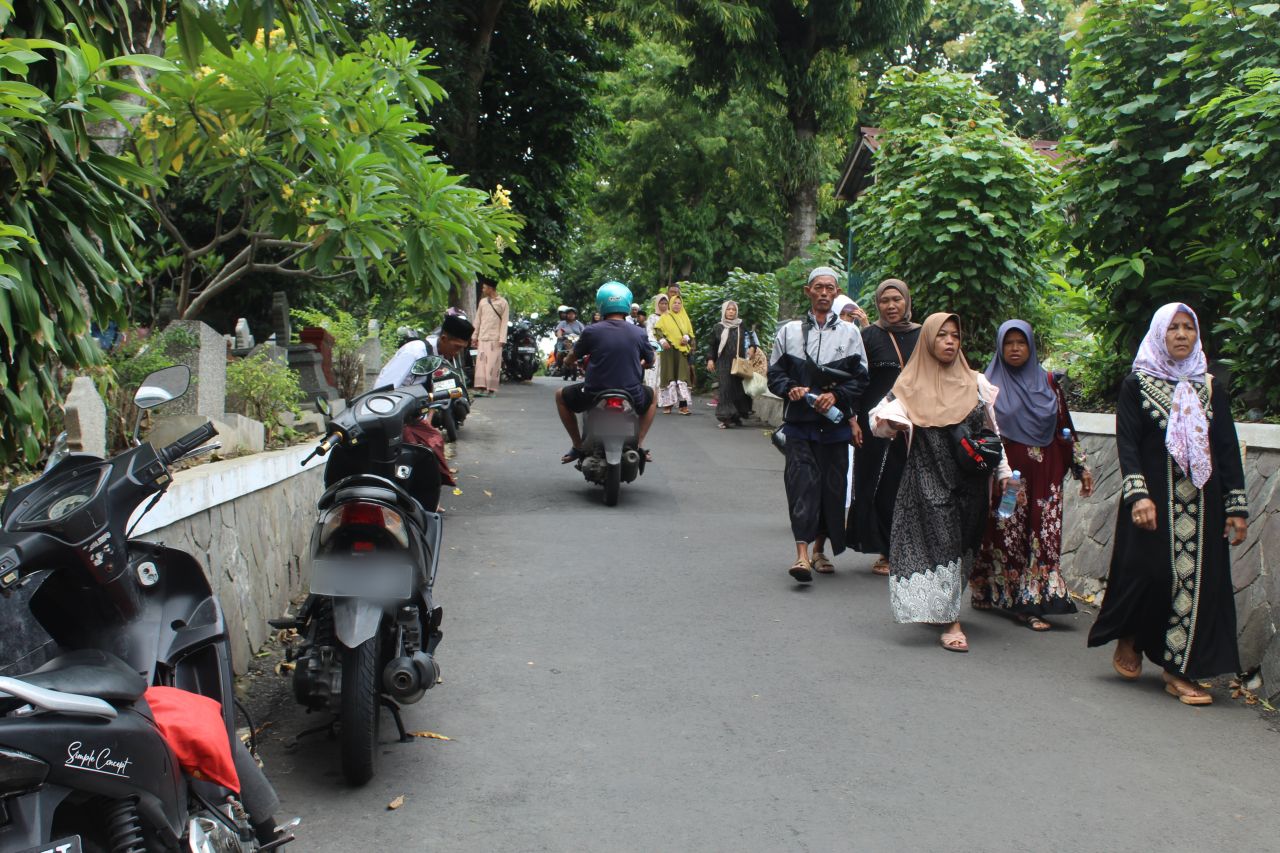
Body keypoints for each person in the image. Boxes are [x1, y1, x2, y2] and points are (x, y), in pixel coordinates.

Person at [1088, 303, 1249, 706]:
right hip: (1153, 501)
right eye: (1173, 328)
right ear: (1159, 334)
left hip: (1203, 505)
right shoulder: (1137, 384)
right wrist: (1138, 494)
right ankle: (1132, 635)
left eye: (1188, 328)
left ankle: (1179, 670)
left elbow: (1226, 448)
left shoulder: (1210, 387)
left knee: (1197, 586)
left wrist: (1237, 506)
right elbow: (1128, 442)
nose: (1181, 334)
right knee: (1151, 574)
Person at [869, 312, 1012, 652]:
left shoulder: (975, 382)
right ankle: (952, 620)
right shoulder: (910, 384)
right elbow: (878, 419)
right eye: (942, 335)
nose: (949, 341)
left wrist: (1004, 472)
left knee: (962, 547)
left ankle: (941, 604)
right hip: (928, 479)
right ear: (928, 340)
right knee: (944, 544)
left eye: (955, 336)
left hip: (971, 482)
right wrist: (896, 423)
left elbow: (992, 432)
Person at [971, 320, 1096, 630]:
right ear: (1000, 347)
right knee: (1007, 534)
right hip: (1008, 475)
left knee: (1045, 534)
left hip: (1047, 472)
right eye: (1009, 343)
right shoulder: (989, 386)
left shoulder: (1048, 383)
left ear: (1031, 346)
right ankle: (1005, 594)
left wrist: (1081, 468)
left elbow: (1064, 426)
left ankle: (1034, 599)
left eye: (1021, 343)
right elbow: (978, 431)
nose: (1015, 349)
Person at [767, 266, 869, 582]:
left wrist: (836, 396)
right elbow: (774, 375)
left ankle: (819, 550)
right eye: (818, 287)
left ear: (836, 293)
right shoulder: (789, 332)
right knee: (801, 486)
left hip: (834, 428)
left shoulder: (851, 334)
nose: (824, 292)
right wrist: (791, 389)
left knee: (831, 490)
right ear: (808, 291)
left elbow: (861, 379)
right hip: (799, 425)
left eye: (830, 288)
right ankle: (801, 555)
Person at [846, 279, 922, 576]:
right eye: (884, 301)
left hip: (915, 423)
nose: (891, 306)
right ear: (877, 304)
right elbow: (856, 380)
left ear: (906, 301)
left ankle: (907, 548)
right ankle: (885, 550)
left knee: (909, 486)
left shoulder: (922, 336)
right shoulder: (869, 336)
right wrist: (853, 419)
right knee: (878, 485)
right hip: (875, 424)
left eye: (896, 300)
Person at [555, 281, 658, 463]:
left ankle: (578, 445)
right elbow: (651, 360)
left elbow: (572, 356)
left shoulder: (591, 331)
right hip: (631, 393)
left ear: (601, 304)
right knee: (653, 397)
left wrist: (566, 362)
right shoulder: (638, 332)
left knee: (560, 396)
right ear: (627, 304)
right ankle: (639, 444)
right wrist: (645, 364)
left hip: (594, 392)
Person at [373, 314, 476, 497]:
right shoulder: (414, 352)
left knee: (435, 439)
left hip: (412, 415)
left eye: (462, 349)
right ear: (443, 339)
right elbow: (385, 388)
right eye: (456, 347)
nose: (457, 353)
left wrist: (425, 420)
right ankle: (411, 497)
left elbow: (428, 394)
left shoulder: (438, 356)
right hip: (392, 414)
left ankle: (428, 498)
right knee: (416, 451)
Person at [706, 300, 759, 428]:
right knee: (725, 388)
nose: (731, 312)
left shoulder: (741, 325)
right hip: (723, 362)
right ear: (724, 311)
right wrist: (710, 359)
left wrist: (752, 347)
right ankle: (725, 417)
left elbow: (751, 337)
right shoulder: (718, 327)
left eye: (733, 310)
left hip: (739, 362)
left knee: (738, 389)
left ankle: (736, 416)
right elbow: (712, 345)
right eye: (728, 309)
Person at [655, 293, 695, 414]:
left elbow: (690, 333)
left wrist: (686, 338)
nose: (677, 305)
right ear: (671, 304)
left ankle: (683, 405)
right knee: (668, 375)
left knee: (682, 376)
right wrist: (662, 341)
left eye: (679, 303)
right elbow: (657, 330)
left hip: (681, 351)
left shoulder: (685, 317)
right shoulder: (664, 317)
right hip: (668, 351)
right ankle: (668, 404)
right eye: (675, 303)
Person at [471, 278, 509, 397]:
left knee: (493, 364)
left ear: (491, 288)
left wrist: (502, 339)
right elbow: (478, 320)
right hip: (483, 337)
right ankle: (481, 389)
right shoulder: (482, 302)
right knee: (481, 364)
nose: (482, 289)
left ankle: (491, 390)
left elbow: (504, 322)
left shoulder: (503, 302)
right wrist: (474, 336)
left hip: (495, 338)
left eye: (484, 287)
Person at [644, 294, 668, 393]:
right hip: (654, 349)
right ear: (657, 304)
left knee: (663, 373)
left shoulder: (670, 317)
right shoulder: (652, 317)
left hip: (667, 349)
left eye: (666, 303)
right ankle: (651, 395)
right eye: (661, 303)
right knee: (653, 372)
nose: (664, 305)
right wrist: (657, 345)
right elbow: (649, 333)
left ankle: (662, 398)